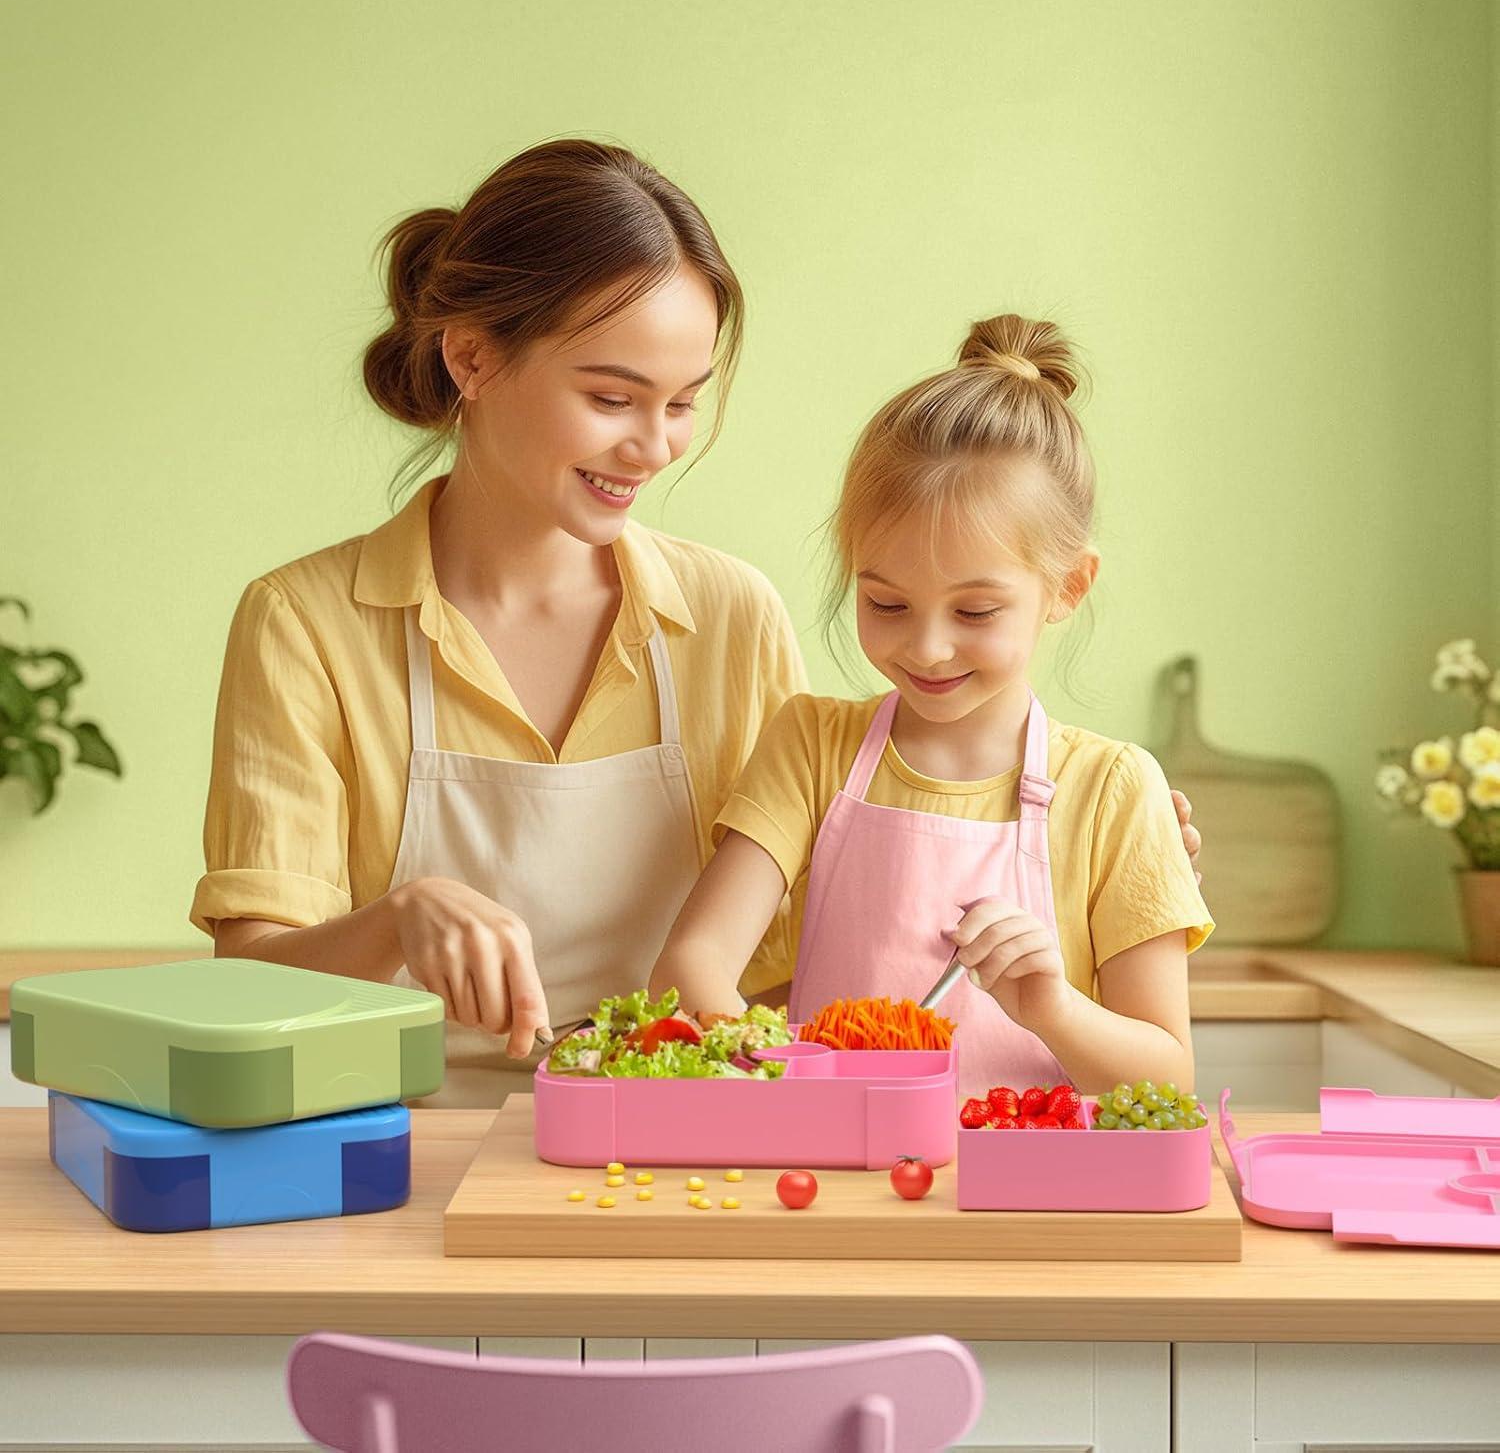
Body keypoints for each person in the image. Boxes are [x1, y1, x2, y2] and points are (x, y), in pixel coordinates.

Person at [193, 138, 1201, 1105]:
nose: (654, 447)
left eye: (681, 403)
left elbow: (813, 922)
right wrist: (397, 924)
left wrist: (1103, 845)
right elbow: (243, 997)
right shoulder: (307, 625)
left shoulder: (729, 616)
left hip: (678, 1147)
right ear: (471, 358)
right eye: (612, 397)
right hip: (406, 1147)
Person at [650, 314, 1213, 1099]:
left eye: (975, 611)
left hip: (1026, 1175)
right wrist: (782, 1071)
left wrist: (1050, 1007)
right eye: (886, 603)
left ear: (1067, 588)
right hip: (835, 1161)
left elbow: (1167, 1078)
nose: (928, 647)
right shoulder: (811, 746)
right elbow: (692, 964)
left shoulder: (1116, 792)